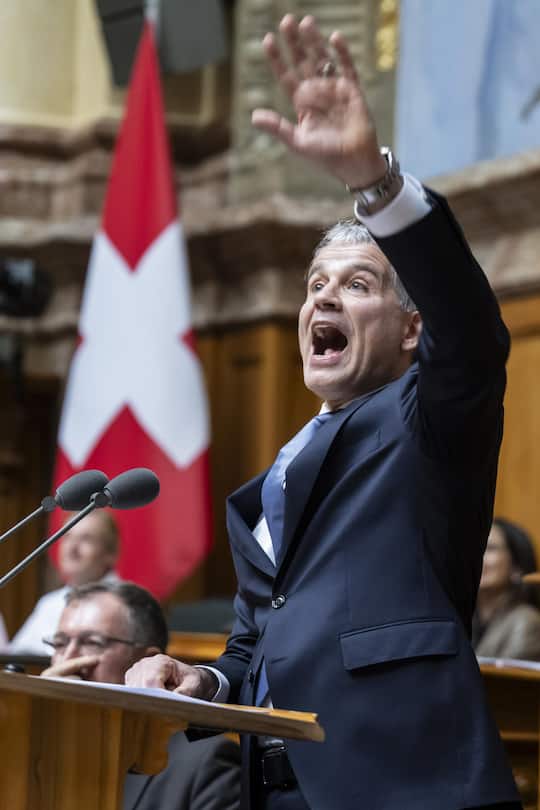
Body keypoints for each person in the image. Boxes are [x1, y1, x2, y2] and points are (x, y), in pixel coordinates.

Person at [125, 14, 522, 810]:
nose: (323, 300)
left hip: (402, 790)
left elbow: (472, 330)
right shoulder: (279, 478)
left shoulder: (429, 422)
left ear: (413, 330)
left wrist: (375, 184)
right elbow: (254, 644)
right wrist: (199, 677)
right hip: (272, 794)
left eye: (357, 285)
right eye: (313, 287)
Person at [41, 581, 241, 810]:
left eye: (92, 643)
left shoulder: (205, 765)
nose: (68, 658)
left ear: (147, 662)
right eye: (59, 643)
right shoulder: (33, 751)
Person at [9, 510, 121, 655]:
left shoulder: (125, 604)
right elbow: (16, 658)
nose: (72, 548)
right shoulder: (48, 604)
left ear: (110, 553)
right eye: (67, 537)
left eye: (86, 539)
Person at [474, 518, 540, 661]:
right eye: (474, 547)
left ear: (516, 567)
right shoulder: (466, 618)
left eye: (490, 548)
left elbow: (504, 682)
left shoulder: (526, 621)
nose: (476, 557)